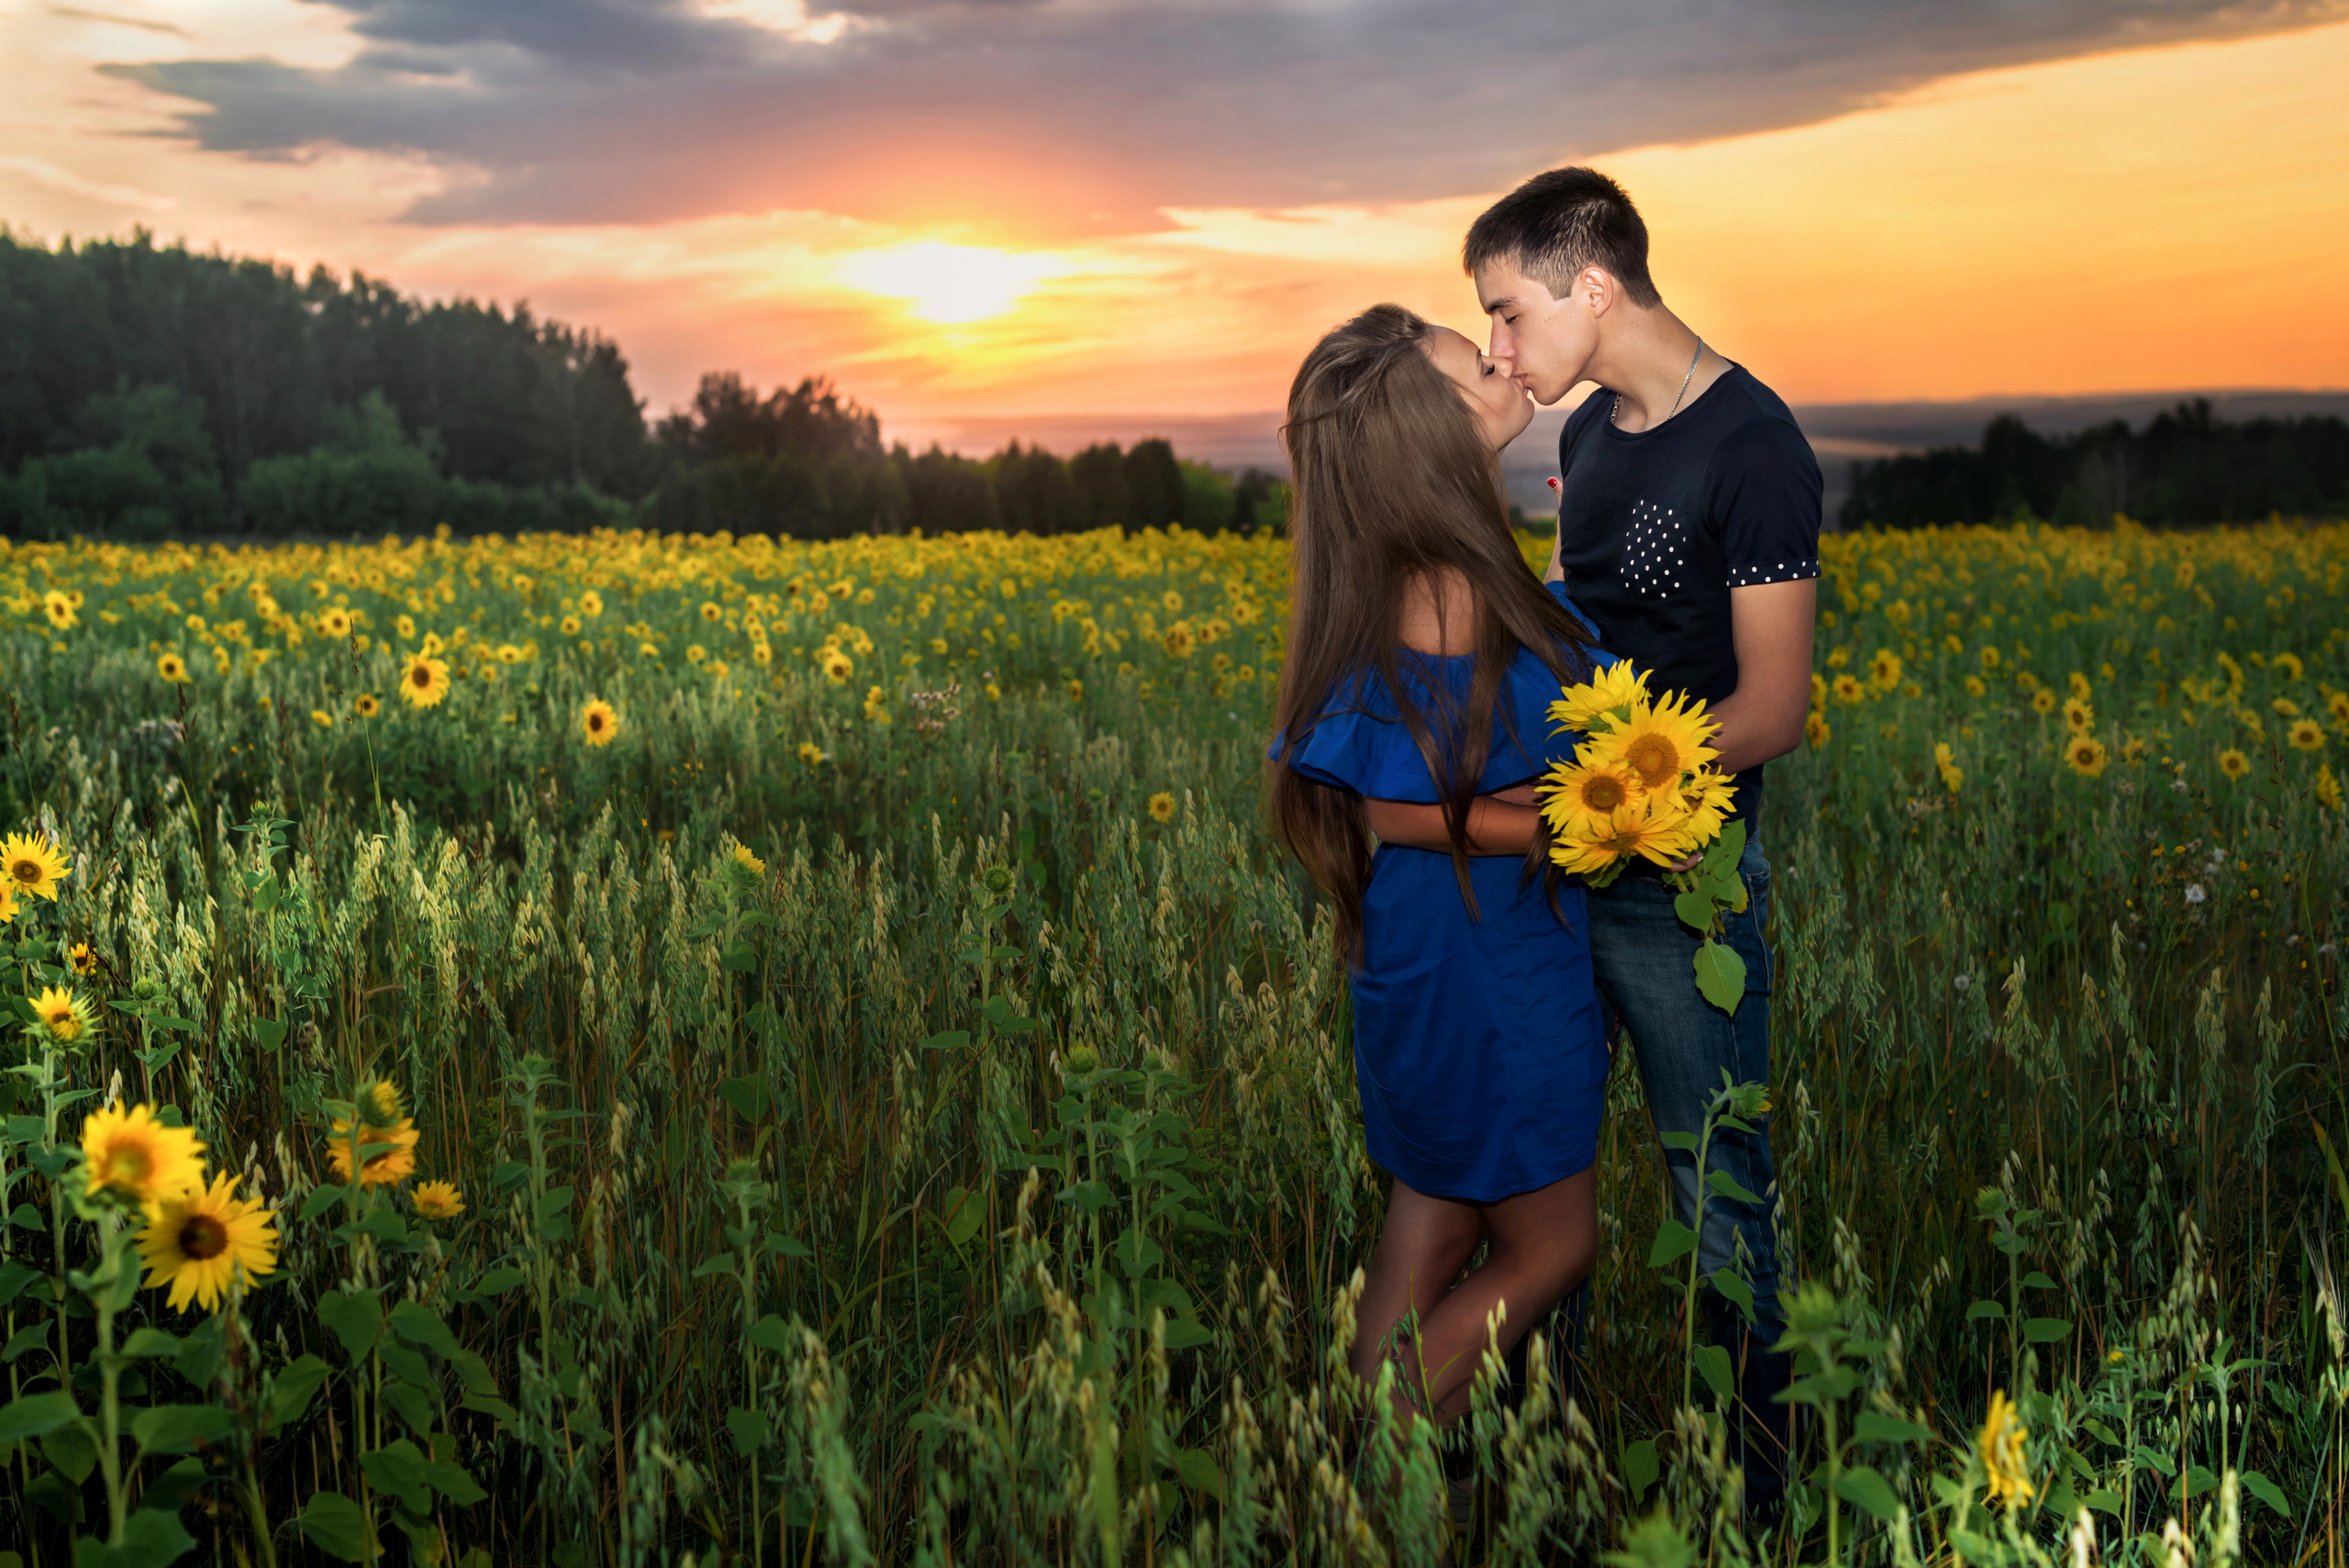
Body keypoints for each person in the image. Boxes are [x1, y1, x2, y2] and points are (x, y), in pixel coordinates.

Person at [1458, 164, 1820, 1516]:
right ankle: (1528, 1477)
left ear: (1594, 288)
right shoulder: (1596, 434)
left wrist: (1606, 796)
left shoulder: (1753, 445)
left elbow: (1770, 708)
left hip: (1682, 891)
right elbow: (1575, 617)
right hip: (1563, 869)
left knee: (1714, 1187)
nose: (1500, 346)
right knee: (1534, 1174)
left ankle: (1760, 1500)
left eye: (1508, 313)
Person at [1265, 304, 1616, 1444]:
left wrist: (1558, 573)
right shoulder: (1455, 595)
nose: (1503, 355)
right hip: (1492, 967)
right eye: (1478, 359)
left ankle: (1364, 1481)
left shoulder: (1399, 589)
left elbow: (1421, 769)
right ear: (1435, 432)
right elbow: (1400, 804)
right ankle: (1397, 1426)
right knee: (1554, 1241)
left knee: (1436, 1215)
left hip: (1420, 958)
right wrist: (1563, 825)